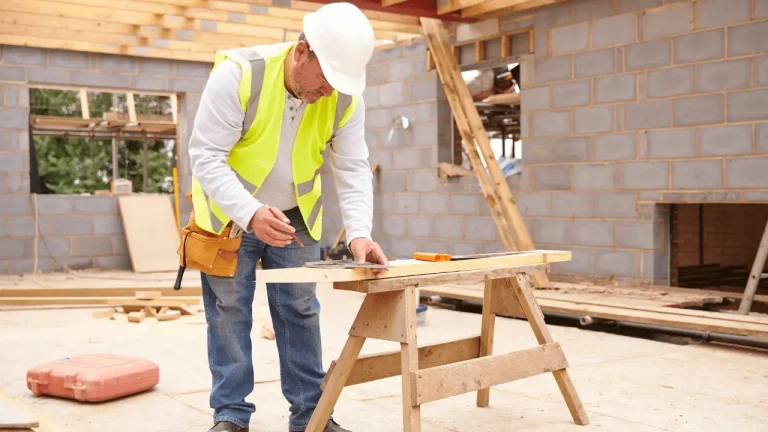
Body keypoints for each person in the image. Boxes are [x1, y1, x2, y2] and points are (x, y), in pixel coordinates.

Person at [186, 3, 388, 432]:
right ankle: (231, 416)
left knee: (299, 309)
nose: (330, 92)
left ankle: (311, 417)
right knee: (228, 309)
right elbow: (206, 155)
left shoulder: (346, 97)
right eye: (326, 80)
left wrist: (358, 235)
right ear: (301, 53)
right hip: (229, 214)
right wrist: (250, 212)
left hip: (295, 214)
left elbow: (352, 167)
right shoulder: (240, 74)